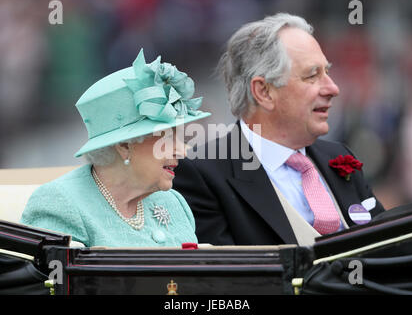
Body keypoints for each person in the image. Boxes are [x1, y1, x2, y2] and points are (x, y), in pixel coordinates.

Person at [173, 13, 385, 246]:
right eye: (312, 76)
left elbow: (387, 249)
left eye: (328, 72)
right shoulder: (202, 173)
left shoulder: (339, 157)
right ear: (263, 92)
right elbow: (228, 279)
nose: (333, 88)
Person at [20, 49, 210, 247]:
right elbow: (54, 277)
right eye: (167, 140)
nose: (181, 151)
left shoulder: (174, 202)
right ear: (125, 146)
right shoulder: (59, 204)